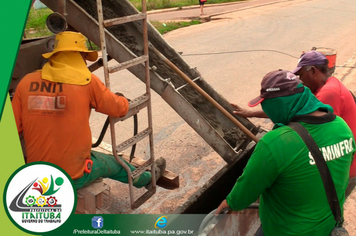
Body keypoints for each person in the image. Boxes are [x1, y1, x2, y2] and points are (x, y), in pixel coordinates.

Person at [11, 31, 166, 189]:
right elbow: (119, 108)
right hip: (71, 177)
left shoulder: (26, 83)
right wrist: (123, 100)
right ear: (79, 55)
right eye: (84, 57)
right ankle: (147, 179)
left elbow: (11, 130)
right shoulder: (87, 82)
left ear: (55, 55)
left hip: (36, 175)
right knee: (114, 164)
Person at [216, 69, 354, 236]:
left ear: (277, 105)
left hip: (286, 231)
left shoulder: (276, 142)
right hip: (328, 227)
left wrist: (228, 203)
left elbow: (246, 191)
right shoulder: (342, 127)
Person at [232, 50, 356, 198]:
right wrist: (250, 113)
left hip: (339, 164)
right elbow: (291, 109)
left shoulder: (327, 94)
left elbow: (312, 134)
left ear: (313, 71)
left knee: (321, 205)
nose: (300, 81)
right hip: (339, 157)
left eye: (301, 75)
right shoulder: (330, 84)